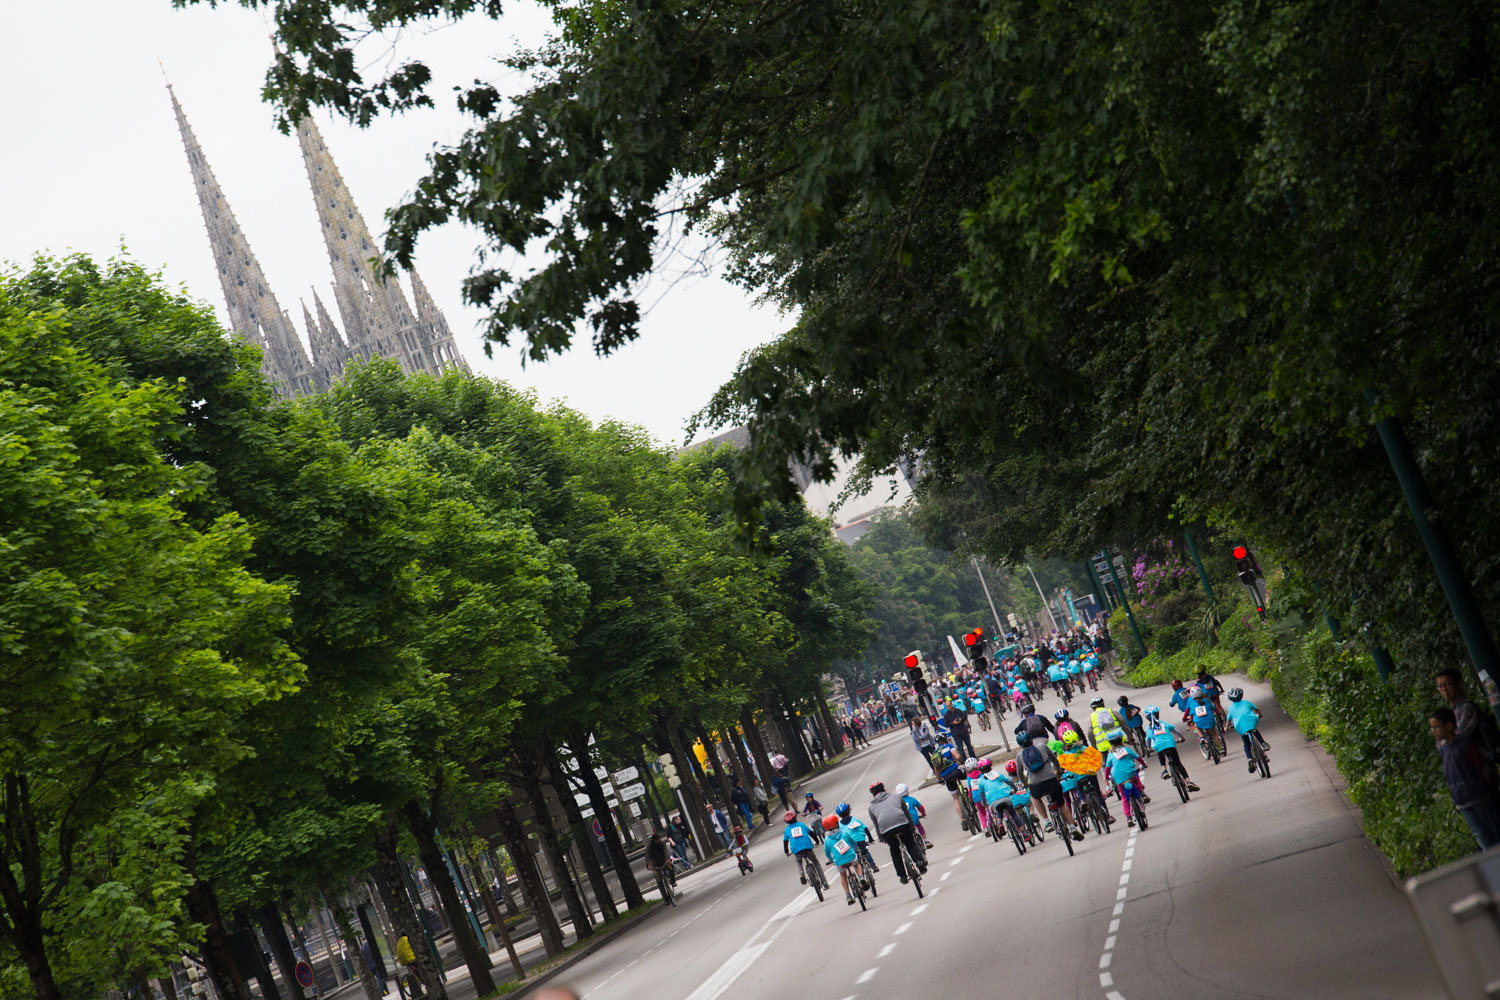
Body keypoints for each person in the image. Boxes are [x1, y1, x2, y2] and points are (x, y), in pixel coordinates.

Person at [1431, 706, 1500, 849]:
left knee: (1495, 829)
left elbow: (1481, 767)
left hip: (1478, 796)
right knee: (1480, 834)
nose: (1434, 731)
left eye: (1436, 727)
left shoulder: (1465, 744)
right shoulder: (1444, 749)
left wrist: (1483, 786)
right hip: (1461, 800)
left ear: (1449, 726)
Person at [1015, 731, 1084, 840]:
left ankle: (1047, 821)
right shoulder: (1042, 746)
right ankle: (1072, 828)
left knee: (1035, 797)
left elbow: (1019, 774)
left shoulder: (1019, 756)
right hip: (1051, 780)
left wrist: (1026, 785)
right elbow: (1054, 759)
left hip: (1036, 784)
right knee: (1061, 803)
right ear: (1031, 739)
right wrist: (1058, 771)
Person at [867, 781, 925, 883]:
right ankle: (919, 862)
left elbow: (876, 824)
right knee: (910, 842)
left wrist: (881, 837)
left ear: (873, 794)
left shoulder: (871, 807)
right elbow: (906, 813)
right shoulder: (897, 797)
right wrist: (911, 827)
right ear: (884, 788)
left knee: (894, 850)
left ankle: (902, 876)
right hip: (903, 824)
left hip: (887, 831)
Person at [1436, 668, 1500, 760]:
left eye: (1448, 684)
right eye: (1440, 686)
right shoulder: (1450, 711)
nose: (1444, 689)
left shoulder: (1467, 708)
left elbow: (1457, 739)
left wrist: (1443, 739)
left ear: (1459, 684)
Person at [1144, 706, 1199, 792]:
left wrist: (1149, 748)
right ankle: (1188, 782)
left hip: (1158, 747)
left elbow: (1147, 740)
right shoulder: (1164, 724)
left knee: (1160, 750)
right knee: (1178, 763)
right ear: (1158, 715)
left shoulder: (1149, 729)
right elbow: (1176, 731)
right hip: (1170, 744)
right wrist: (1182, 738)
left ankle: (1164, 770)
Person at [821, 814, 868, 905]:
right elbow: (853, 842)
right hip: (851, 857)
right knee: (856, 864)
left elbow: (827, 852)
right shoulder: (844, 833)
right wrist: (856, 850)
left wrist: (831, 859)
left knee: (843, 875)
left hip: (839, 862)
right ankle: (861, 878)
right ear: (836, 824)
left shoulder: (827, 840)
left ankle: (848, 895)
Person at [1225, 687, 1271, 771]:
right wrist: (1259, 715)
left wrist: (1226, 727)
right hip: (1251, 721)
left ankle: (1249, 758)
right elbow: (1256, 709)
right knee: (1254, 729)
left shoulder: (1231, 708)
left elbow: (1228, 720)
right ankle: (1263, 743)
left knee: (1246, 744)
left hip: (1240, 726)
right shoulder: (1246, 703)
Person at [1107, 744, 1148, 827]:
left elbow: (1107, 768)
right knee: (1136, 780)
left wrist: (1107, 777)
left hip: (1119, 779)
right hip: (1130, 775)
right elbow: (1138, 758)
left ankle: (1129, 818)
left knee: (1124, 798)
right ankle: (1142, 794)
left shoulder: (1110, 754)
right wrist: (1143, 764)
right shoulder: (1126, 749)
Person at [782, 810, 823, 882]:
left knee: (798, 861)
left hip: (796, 849)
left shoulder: (787, 829)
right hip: (807, 846)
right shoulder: (801, 824)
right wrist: (817, 841)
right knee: (815, 862)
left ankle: (801, 874)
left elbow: (785, 842)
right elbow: (811, 833)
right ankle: (824, 882)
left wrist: (786, 852)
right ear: (795, 817)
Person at [895, 781, 932, 849]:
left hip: (904, 822)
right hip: (914, 820)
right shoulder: (911, 799)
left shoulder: (897, 802)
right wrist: (923, 814)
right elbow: (921, 807)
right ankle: (926, 841)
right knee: (919, 825)